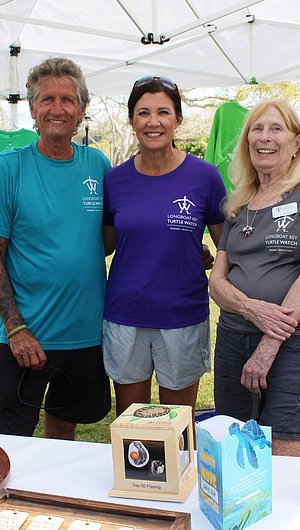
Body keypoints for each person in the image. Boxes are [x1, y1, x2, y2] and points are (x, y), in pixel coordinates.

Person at [0, 57, 111, 439]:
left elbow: (111, 237)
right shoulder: (9, 167)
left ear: (82, 109)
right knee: (15, 434)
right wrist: (16, 328)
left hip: (85, 335)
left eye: (67, 100)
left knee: (64, 428)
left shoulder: (97, 165)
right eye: (47, 99)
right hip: (27, 336)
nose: (57, 109)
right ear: (33, 109)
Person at [209, 99, 300, 457]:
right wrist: (250, 308)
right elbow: (217, 282)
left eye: (276, 128)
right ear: (247, 141)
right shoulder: (238, 204)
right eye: (256, 129)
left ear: (296, 142)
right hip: (234, 338)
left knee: (286, 446)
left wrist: (268, 345)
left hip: (294, 341)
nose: (264, 137)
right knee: (235, 446)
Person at [102, 76, 226, 416]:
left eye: (163, 112)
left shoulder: (205, 176)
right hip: (126, 314)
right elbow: (107, 244)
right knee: (133, 425)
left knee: (178, 426)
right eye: (143, 113)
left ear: (177, 119)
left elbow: (226, 246)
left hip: (182, 315)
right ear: (132, 121)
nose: (152, 122)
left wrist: (197, 255)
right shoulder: (114, 179)